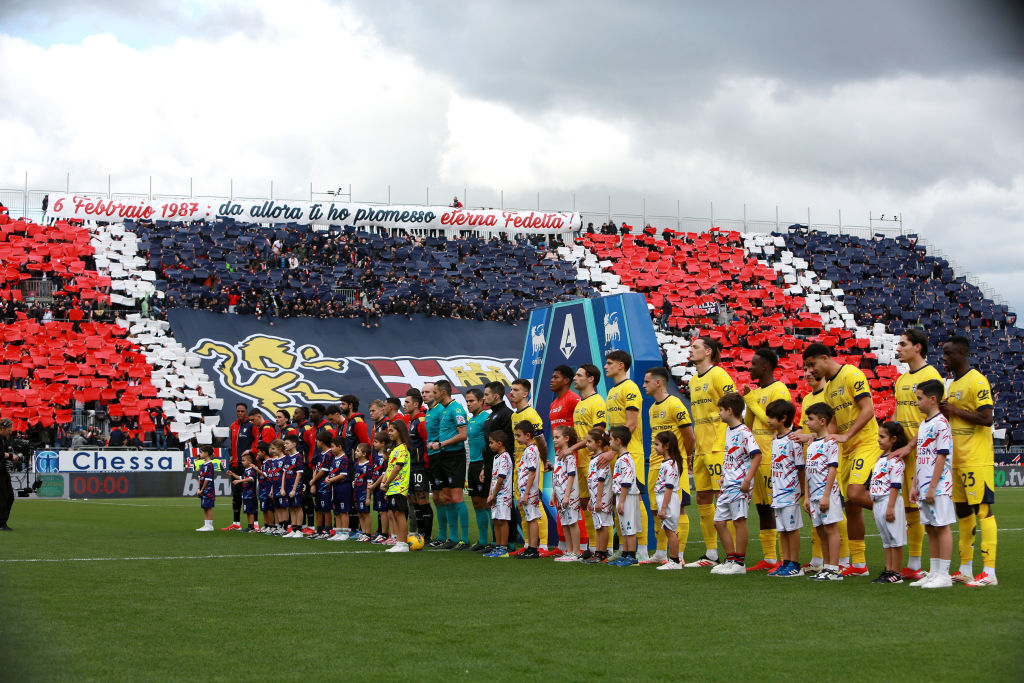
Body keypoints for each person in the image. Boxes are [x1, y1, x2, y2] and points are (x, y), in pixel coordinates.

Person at [801, 342, 880, 577]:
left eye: (812, 365)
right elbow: (832, 423)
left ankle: (892, 511)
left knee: (855, 493)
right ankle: (859, 564)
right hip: (844, 449)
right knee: (852, 507)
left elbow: (868, 409)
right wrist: (819, 439)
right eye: (807, 367)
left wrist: (846, 435)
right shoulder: (828, 389)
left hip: (865, 443)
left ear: (825, 358)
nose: (810, 371)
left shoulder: (852, 374)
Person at [941, 335, 998, 587]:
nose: (944, 358)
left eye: (948, 354)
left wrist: (954, 411)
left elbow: (987, 418)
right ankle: (965, 568)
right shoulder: (952, 384)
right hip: (957, 458)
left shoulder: (977, 380)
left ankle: (989, 572)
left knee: (983, 511)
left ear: (962, 354)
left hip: (976, 458)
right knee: (963, 513)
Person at [891, 328, 943, 580]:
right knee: (910, 509)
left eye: (903, 344)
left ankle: (930, 566)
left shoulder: (931, 375)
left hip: (921, 452)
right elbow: (897, 413)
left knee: (923, 509)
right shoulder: (901, 380)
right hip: (902, 451)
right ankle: (913, 565)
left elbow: (934, 417)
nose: (898, 348)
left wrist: (910, 446)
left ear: (918, 347)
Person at [685, 336, 737, 568]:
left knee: (723, 497)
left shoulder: (719, 375)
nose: (690, 350)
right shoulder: (694, 380)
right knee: (703, 497)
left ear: (708, 351)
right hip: (701, 447)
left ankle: (734, 554)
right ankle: (711, 552)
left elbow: (735, 404)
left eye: (695, 347)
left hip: (718, 445)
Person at [742, 348, 791, 572]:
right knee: (762, 508)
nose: (749, 367)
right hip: (757, 456)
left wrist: (751, 402)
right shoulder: (756, 392)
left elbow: (772, 422)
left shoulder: (779, 389)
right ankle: (769, 558)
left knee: (775, 507)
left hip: (774, 456)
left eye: (753, 364)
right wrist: (749, 402)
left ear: (765, 366)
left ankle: (785, 558)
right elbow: (751, 425)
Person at [643, 366, 695, 565]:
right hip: (655, 465)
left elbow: (689, 436)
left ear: (658, 382)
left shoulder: (676, 404)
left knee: (678, 509)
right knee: (656, 510)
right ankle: (660, 552)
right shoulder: (652, 408)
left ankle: (678, 555)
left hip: (674, 467)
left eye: (647, 382)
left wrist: (687, 457)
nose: (644, 385)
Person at [602, 350, 649, 560]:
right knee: (618, 501)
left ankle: (642, 549)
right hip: (617, 452)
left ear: (621, 365)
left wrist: (613, 450)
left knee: (634, 500)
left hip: (631, 453)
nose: (606, 366)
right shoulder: (613, 390)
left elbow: (631, 424)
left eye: (610, 363)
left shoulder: (630, 388)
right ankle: (624, 548)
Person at [909, 379, 955, 589]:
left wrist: (932, 486)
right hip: (924, 485)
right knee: (930, 527)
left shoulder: (941, 424)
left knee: (941, 526)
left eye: (920, 398)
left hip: (938, 486)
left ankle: (944, 574)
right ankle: (934, 571)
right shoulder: (925, 424)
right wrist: (914, 485)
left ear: (933, 399)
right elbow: (921, 457)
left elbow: (941, 457)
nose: (917, 403)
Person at [710, 393, 761, 575]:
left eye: (721, 410)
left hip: (740, 483)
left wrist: (747, 479)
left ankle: (739, 563)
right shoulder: (730, 431)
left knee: (739, 521)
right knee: (718, 522)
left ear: (730, 411)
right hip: (728, 482)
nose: (719, 414)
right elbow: (730, 455)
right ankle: (730, 559)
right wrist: (724, 473)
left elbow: (757, 454)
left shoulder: (744, 432)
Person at [568, 364, 606, 559]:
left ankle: (603, 549)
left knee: (599, 505)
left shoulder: (597, 402)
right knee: (586, 504)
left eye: (579, 375)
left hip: (594, 460)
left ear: (591, 379)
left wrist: (572, 448)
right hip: (581, 461)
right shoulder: (580, 404)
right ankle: (591, 547)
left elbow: (598, 433)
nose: (575, 378)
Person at [802, 403, 843, 582]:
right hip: (814, 495)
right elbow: (808, 470)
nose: (807, 423)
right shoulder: (811, 444)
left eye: (811, 419)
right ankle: (826, 567)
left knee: (830, 529)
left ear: (822, 421)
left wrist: (826, 495)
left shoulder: (830, 443)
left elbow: (832, 469)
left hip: (827, 494)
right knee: (820, 531)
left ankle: (834, 569)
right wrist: (807, 496)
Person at [764, 399, 805, 578]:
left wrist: (801, 490)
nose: (768, 420)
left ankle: (794, 563)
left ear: (783, 418)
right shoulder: (775, 440)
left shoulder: (793, 440)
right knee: (782, 529)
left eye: (772, 417)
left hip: (790, 490)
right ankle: (785, 561)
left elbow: (800, 467)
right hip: (778, 491)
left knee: (792, 528)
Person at [508, 379, 548, 555]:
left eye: (515, 390)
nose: (511, 393)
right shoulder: (514, 415)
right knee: (523, 508)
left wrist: (544, 461)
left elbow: (542, 442)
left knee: (535, 506)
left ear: (525, 394)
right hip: (519, 465)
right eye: (511, 389)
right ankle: (527, 544)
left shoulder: (531, 415)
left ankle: (543, 545)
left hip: (532, 465)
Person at [428, 380, 470, 550]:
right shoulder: (444, 410)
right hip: (444, 456)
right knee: (446, 498)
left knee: (457, 497)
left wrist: (441, 443)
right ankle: (451, 538)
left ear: (443, 393)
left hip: (455, 456)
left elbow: (463, 435)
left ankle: (464, 540)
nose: (433, 395)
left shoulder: (456, 409)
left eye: (435, 392)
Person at [797, 366, 831, 572]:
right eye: (805, 370)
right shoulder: (807, 399)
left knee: (833, 512)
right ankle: (819, 560)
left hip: (831, 458)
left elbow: (832, 428)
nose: (807, 373)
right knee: (815, 512)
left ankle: (842, 562)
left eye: (811, 369)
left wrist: (807, 437)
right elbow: (805, 428)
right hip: (813, 457)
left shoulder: (831, 394)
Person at [871, 422, 909, 584]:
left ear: (894, 439)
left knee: (895, 539)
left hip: (889, 501)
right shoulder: (881, 458)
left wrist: (891, 507)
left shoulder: (896, 461)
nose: (878, 440)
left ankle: (896, 572)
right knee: (886, 540)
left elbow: (895, 486)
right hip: (879, 501)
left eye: (882, 437)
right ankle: (888, 570)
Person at [548, 364, 580, 554]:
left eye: (556, 377)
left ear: (567, 380)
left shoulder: (573, 400)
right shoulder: (553, 404)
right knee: (563, 508)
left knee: (575, 508)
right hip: (561, 460)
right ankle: (566, 548)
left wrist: (572, 451)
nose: (552, 380)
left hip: (573, 459)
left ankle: (581, 547)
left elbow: (579, 430)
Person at [652, 431, 686, 570]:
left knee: (670, 531)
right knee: (668, 530)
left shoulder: (670, 464)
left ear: (666, 446)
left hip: (669, 500)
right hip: (665, 499)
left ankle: (675, 561)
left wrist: (664, 507)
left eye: (657, 444)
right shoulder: (666, 463)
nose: (655, 447)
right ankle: (674, 560)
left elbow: (669, 487)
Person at [608, 425, 640, 566]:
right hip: (622, 496)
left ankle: (632, 556)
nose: (609, 442)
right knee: (624, 527)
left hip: (627, 496)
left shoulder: (625, 459)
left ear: (618, 441)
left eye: (610, 439)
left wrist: (621, 501)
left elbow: (626, 482)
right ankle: (625, 553)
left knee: (629, 527)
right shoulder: (621, 458)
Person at [404, 388, 433, 543]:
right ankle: (419, 534)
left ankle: (426, 536)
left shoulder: (421, 421)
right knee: (414, 501)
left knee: (422, 501)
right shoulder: (411, 422)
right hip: (411, 467)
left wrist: (426, 465)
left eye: (407, 402)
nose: (404, 405)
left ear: (415, 404)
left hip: (420, 467)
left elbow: (426, 443)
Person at [465, 388, 493, 551]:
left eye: (472, 401)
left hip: (484, 464)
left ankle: (494, 541)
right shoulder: (471, 420)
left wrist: (485, 466)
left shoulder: (486, 419)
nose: (469, 404)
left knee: (487, 503)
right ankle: (482, 541)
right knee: (476, 502)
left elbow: (490, 444)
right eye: (467, 401)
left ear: (481, 401)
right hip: (473, 465)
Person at [582, 429, 615, 564]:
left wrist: (599, 499)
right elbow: (593, 481)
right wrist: (592, 498)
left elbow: (601, 480)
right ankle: (599, 552)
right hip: (597, 497)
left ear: (599, 443)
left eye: (590, 441)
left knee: (603, 524)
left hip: (603, 498)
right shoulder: (594, 458)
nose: (587, 444)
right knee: (599, 525)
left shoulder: (602, 459)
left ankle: (602, 553)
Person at [380, 420, 412, 553]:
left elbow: (397, 468)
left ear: (400, 431)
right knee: (394, 514)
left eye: (392, 431)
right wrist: (384, 482)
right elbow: (389, 468)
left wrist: (386, 483)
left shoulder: (403, 448)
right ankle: (399, 541)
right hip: (392, 487)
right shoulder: (394, 449)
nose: (389, 434)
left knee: (400, 514)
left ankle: (403, 543)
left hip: (400, 487)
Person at [550, 425, 581, 562]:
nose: (555, 440)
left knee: (572, 522)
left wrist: (567, 495)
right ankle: (569, 551)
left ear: (566, 438)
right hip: (560, 495)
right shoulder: (557, 455)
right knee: (565, 523)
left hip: (570, 495)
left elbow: (571, 476)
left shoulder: (570, 456)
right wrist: (554, 495)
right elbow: (556, 476)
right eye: (554, 437)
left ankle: (576, 552)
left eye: (557, 437)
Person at [513, 420, 543, 559]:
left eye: (518, 435)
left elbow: (532, 472)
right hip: (527, 492)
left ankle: (533, 548)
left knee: (532, 519)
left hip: (529, 492)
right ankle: (530, 547)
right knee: (530, 518)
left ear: (528, 435)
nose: (516, 438)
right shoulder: (530, 449)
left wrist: (525, 493)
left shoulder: (531, 449)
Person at [422, 382, 447, 548]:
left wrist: (438, 444)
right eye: (423, 392)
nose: (424, 395)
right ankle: (441, 535)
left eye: (428, 392)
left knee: (442, 497)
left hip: (440, 456)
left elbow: (445, 431)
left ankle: (445, 536)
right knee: (437, 498)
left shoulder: (441, 410)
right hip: (431, 456)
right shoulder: (429, 412)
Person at [484, 430, 514, 558]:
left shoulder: (505, 457)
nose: (489, 445)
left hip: (503, 495)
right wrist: (490, 494)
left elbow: (501, 479)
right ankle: (497, 546)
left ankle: (504, 547)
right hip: (495, 495)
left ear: (500, 443)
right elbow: (494, 478)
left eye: (491, 443)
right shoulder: (496, 458)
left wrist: (494, 495)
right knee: (495, 520)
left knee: (502, 520)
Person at [224, 403, 254, 530]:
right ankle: (236, 523)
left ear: (246, 412)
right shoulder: (233, 425)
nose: (240, 413)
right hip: (235, 464)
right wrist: (232, 458)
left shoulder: (251, 425)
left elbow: (254, 442)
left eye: (242, 411)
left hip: (246, 465)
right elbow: (232, 444)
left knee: (250, 494)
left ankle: (254, 524)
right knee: (236, 495)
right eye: (238, 411)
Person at [324, 436, 352, 541]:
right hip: (335, 487)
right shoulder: (334, 458)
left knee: (343, 510)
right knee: (337, 510)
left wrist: (331, 480)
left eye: (332, 447)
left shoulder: (344, 458)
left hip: (343, 487)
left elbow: (343, 475)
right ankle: (339, 532)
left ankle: (345, 532)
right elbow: (332, 472)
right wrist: (328, 477)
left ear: (339, 447)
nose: (331, 449)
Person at [308, 432, 334, 538]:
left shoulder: (329, 454)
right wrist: (313, 483)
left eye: (317, 441)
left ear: (322, 442)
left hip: (325, 485)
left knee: (326, 508)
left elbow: (323, 471)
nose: (316, 443)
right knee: (317, 508)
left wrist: (313, 481)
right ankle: (318, 530)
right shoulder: (320, 454)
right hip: (318, 484)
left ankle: (327, 530)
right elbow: (316, 469)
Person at [280, 435, 305, 537]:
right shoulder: (287, 458)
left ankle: (299, 529)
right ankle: (293, 529)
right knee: (291, 507)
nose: (285, 445)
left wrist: (294, 489)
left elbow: (299, 474)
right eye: (284, 443)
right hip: (287, 486)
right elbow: (284, 473)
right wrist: (282, 488)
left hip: (295, 486)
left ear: (294, 444)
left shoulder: (298, 457)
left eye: (287, 443)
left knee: (297, 507)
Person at [228, 452, 259, 532]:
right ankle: (249, 526)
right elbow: (240, 477)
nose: (242, 462)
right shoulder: (246, 470)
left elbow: (251, 479)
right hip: (246, 494)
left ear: (249, 461)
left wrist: (240, 481)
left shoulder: (252, 469)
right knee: (248, 511)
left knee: (250, 511)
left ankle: (251, 527)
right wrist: (232, 474)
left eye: (243, 460)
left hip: (250, 495)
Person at [368, 435, 391, 541]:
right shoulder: (376, 455)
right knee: (379, 511)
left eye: (376, 442)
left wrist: (374, 485)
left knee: (383, 511)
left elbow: (383, 474)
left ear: (383, 443)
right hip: (376, 486)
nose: (374, 444)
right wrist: (372, 481)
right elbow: (375, 471)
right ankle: (381, 531)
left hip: (381, 486)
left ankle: (385, 533)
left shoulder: (386, 456)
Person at [0, 418, 19, 531]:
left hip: (2, 470)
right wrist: (10, 456)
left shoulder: (4, 439)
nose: (10, 431)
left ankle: (3, 522)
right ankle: (1, 523)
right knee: (3, 497)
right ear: (2, 428)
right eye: (8, 429)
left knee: (9, 496)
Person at [352, 442, 373, 541]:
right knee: (360, 513)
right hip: (357, 492)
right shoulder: (356, 465)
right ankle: (363, 532)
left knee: (365, 513)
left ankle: (368, 534)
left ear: (364, 454)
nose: (355, 452)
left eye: (357, 451)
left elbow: (369, 482)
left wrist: (368, 497)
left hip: (364, 493)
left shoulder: (368, 466)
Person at [196, 445, 217, 531]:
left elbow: (208, 479)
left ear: (207, 453)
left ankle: (210, 525)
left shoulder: (210, 465)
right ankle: (206, 525)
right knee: (204, 506)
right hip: (202, 489)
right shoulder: (203, 465)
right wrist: (198, 488)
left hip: (208, 489)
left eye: (201, 452)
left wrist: (202, 489)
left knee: (208, 506)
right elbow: (199, 477)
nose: (200, 454)